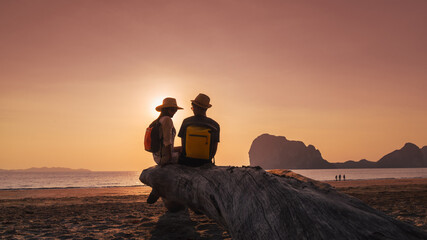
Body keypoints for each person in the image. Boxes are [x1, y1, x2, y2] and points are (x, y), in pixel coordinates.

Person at [143, 97, 183, 204]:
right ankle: (158, 190)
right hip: (165, 158)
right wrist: (169, 158)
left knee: (183, 150)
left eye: (175, 110)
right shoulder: (167, 120)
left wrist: (178, 149)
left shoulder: (158, 121)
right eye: (173, 109)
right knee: (189, 158)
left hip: (158, 156)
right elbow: (167, 142)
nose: (174, 112)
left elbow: (164, 145)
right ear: (167, 109)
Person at [178, 93, 220, 167]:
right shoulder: (215, 125)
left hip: (186, 161)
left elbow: (183, 145)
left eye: (192, 107)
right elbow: (214, 149)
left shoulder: (186, 122)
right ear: (206, 108)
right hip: (205, 162)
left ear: (195, 107)